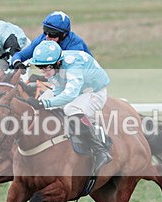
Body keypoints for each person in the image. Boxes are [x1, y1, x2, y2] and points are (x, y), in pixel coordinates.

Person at [26, 40, 112, 175]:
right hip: (75, 89)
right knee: (38, 104)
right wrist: (41, 103)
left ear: (57, 62)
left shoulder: (73, 65)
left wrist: (45, 104)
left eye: (45, 67)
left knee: (71, 109)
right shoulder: (55, 65)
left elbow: (70, 94)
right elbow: (60, 89)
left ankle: (100, 150)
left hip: (94, 92)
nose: (42, 71)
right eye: (39, 66)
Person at [9, 11, 92, 69]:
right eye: (45, 31)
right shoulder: (42, 39)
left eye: (53, 33)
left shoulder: (75, 44)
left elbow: (71, 72)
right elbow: (19, 55)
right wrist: (17, 63)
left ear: (64, 34)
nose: (47, 36)